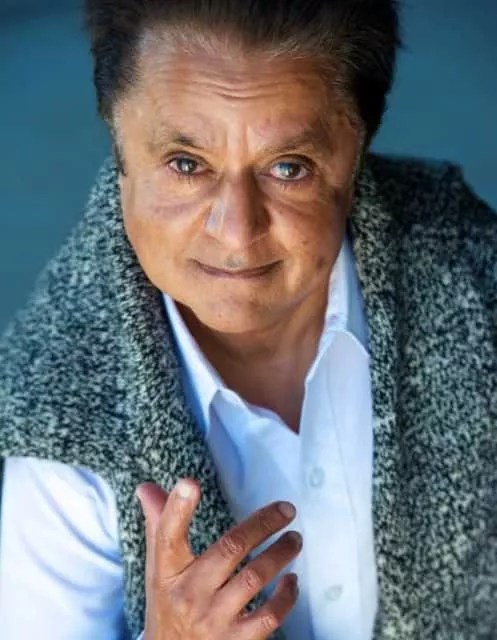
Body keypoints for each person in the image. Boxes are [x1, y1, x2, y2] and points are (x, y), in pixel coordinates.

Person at [0, 0, 496, 638]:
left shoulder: (473, 273)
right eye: (186, 164)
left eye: (288, 168)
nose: (236, 232)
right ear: (119, 150)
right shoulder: (55, 422)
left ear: (356, 155)